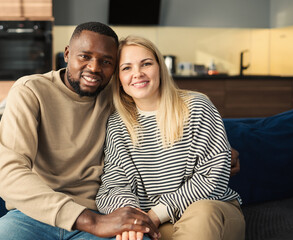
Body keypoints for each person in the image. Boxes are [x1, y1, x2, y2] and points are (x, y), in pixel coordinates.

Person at [0, 22, 160, 240]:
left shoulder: (117, 95)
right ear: (66, 54)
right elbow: (10, 175)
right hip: (35, 215)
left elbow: (160, 101)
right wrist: (93, 222)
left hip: (100, 210)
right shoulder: (30, 91)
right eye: (84, 56)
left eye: (106, 61)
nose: (94, 68)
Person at [95, 35, 246, 240]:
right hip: (156, 223)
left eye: (146, 64)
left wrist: (156, 214)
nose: (137, 74)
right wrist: (132, 217)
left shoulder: (196, 106)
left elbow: (214, 175)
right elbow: (113, 186)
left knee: (202, 213)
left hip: (213, 212)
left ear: (160, 68)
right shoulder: (117, 125)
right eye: (126, 68)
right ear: (119, 80)